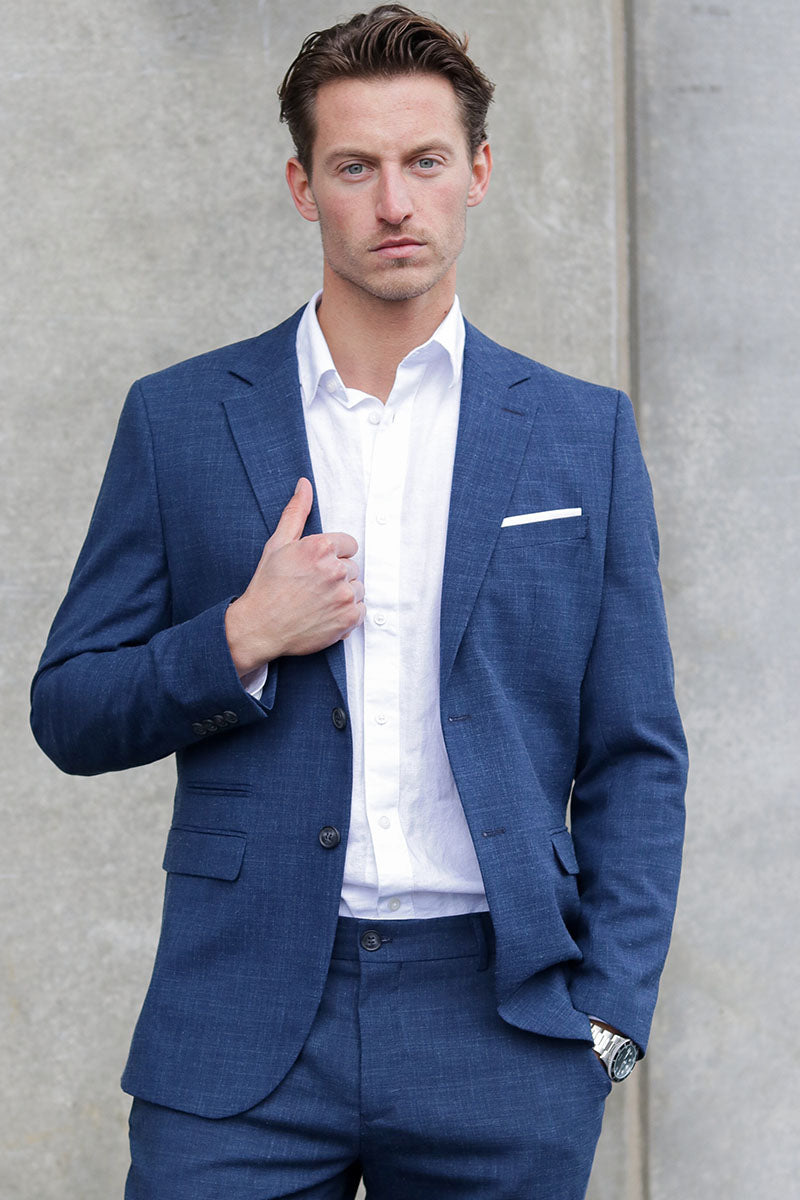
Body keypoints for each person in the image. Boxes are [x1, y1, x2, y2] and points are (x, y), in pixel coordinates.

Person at [30, 5, 688, 1198]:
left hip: (502, 1028)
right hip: (238, 1027)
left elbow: (636, 753)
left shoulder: (577, 433)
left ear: (476, 172)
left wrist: (608, 1022)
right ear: (303, 186)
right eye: (354, 168)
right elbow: (69, 708)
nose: (393, 202)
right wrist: (240, 637)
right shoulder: (181, 419)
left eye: (423, 161)